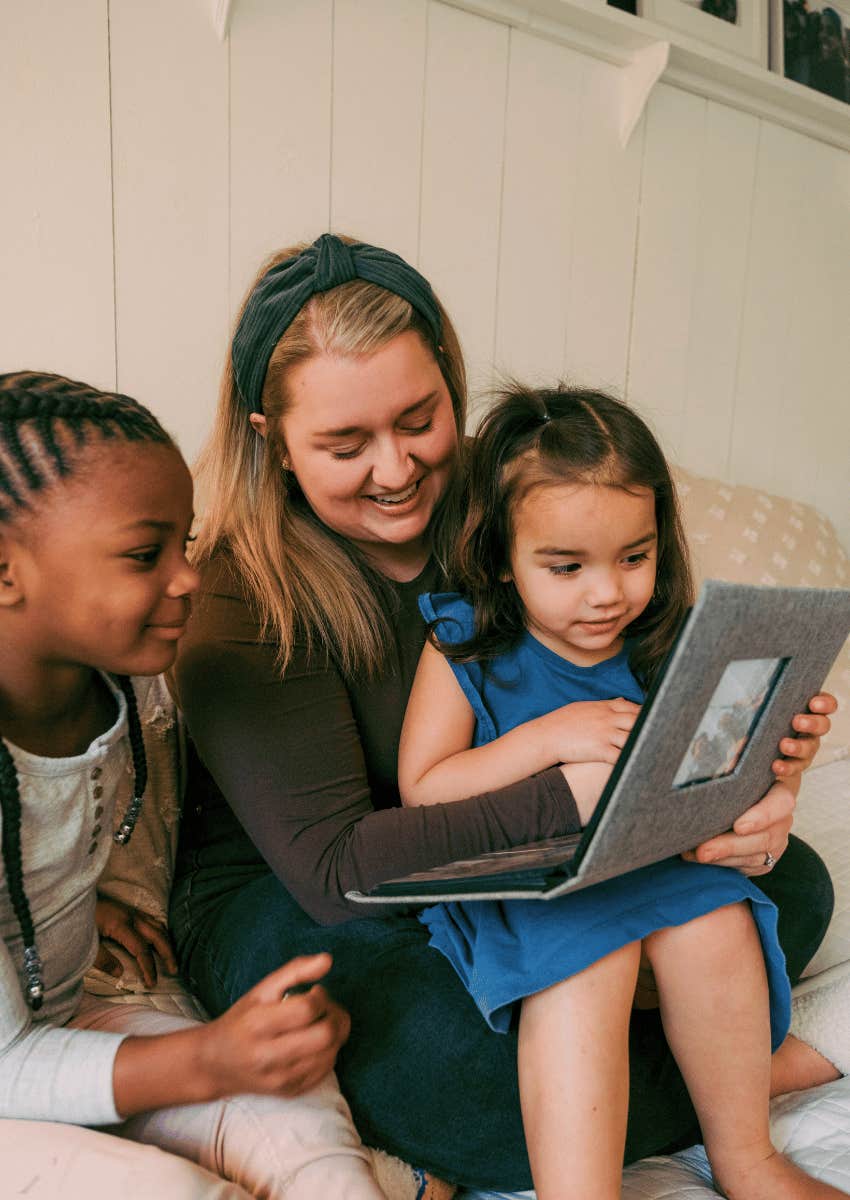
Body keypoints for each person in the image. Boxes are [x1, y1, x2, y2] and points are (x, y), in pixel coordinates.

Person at [169, 232, 838, 1191]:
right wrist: (589, 803)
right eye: (345, 445)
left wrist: (749, 790)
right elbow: (336, 869)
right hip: (314, 888)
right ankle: (738, 1073)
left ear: (450, 375)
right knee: (468, 1087)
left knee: (793, 889)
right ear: (270, 438)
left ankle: (647, 1068)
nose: (395, 469)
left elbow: (657, 669)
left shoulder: (519, 493)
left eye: (419, 419)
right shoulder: (240, 597)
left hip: (519, 857)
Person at [397, 383, 844, 1200]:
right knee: (588, 963)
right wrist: (545, 739)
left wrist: (782, 767)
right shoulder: (463, 644)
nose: (607, 593)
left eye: (633, 558)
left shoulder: (661, 640)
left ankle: (747, 1159)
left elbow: (711, 765)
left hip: (652, 857)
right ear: (502, 554)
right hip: (537, 886)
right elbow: (422, 789)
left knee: (716, 916)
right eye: (567, 567)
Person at [0, 371, 386, 1200]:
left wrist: (53, 897)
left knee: (305, 1122)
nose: (186, 579)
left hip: (56, 1023)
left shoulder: (125, 686)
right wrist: (208, 1057)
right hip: (7, 1070)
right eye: (147, 554)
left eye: (186, 544)